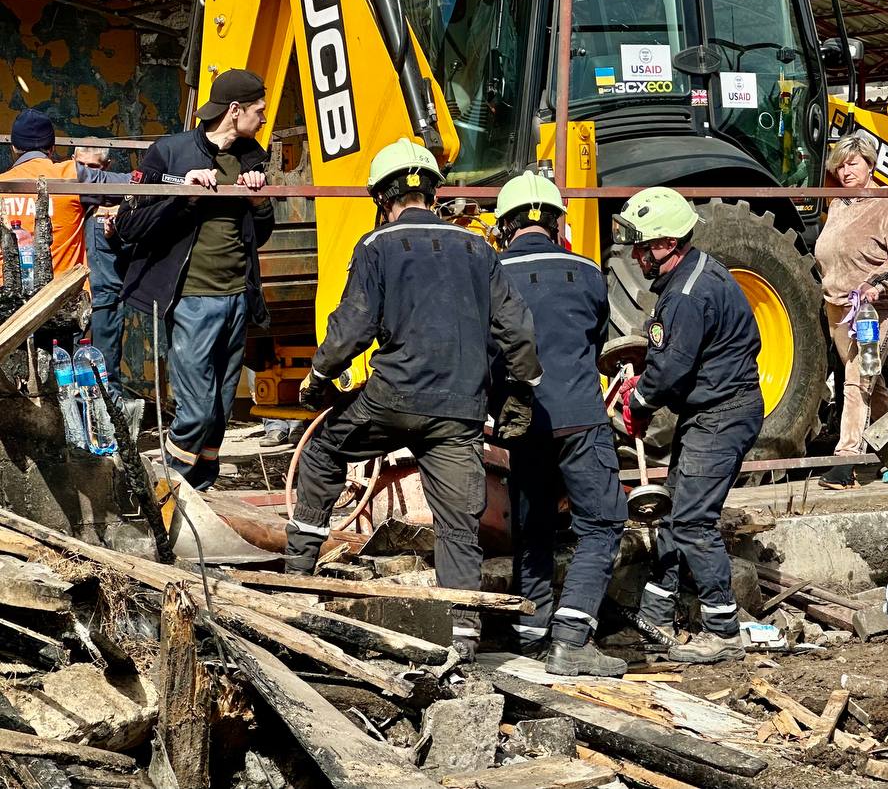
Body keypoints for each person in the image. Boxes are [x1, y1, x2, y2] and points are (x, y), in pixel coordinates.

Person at [287, 138, 541, 662]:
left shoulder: (376, 246)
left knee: (321, 454)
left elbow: (351, 326)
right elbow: (518, 331)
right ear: (431, 190)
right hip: (459, 410)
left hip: (390, 399)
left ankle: (297, 582)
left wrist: (318, 376)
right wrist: (518, 392)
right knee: (457, 523)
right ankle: (465, 637)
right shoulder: (478, 249)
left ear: (383, 196)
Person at [615, 187, 763, 665]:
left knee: (694, 521)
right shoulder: (697, 274)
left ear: (666, 243)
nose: (636, 255)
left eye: (642, 246)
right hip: (714, 410)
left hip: (721, 414)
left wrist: (636, 401)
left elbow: (670, 367)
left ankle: (723, 631)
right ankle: (658, 611)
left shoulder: (685, 295)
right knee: (678, 510)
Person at [495, 172, 629, 677]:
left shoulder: (492, 271)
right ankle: (572, 638)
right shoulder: (587, 271)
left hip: (522, 421)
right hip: (579, 418)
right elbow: (595, 346)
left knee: (534, 525)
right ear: (556, 223)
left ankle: (530, 631)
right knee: (602, 523)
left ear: (506, 226)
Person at [115, 69, 274, 490]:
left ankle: (202, 487)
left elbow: (260, 233)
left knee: (221, 407)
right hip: (191, 299)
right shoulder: (170, 153)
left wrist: (258, 202)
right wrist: (183, 197)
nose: (263, 118)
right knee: (197, 410)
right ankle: (167, 489)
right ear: (235, 110)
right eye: (258, 110)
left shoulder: (252, 157)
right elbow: (130, 225)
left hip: (236, 296)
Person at [813, 132, 888, 490]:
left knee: (857, 377)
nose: (845, 171)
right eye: (839, 166)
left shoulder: (887, 203)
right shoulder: (838, 204)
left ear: (870, 164)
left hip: (875, 308)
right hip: (838, 307)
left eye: (852, 163)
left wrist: (879, 284)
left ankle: (847, 460)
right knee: (872, 380)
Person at [0, 110, 132, 275]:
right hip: (65, 296)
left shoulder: (2, 184)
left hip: (8, 295)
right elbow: (133, 183)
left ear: (13, 148)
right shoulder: (71, 174)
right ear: (52, 148)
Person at [76, 146, 129, 401]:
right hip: (71, 299)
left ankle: (113, 428)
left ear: (105, 168)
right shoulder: (66, 195)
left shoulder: (118, 200)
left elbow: (135, 245)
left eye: (94, 167)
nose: (86, 172)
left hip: (105, 297)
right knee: (72, 372)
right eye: (81, 164)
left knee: (106, 369)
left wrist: (116, 232)